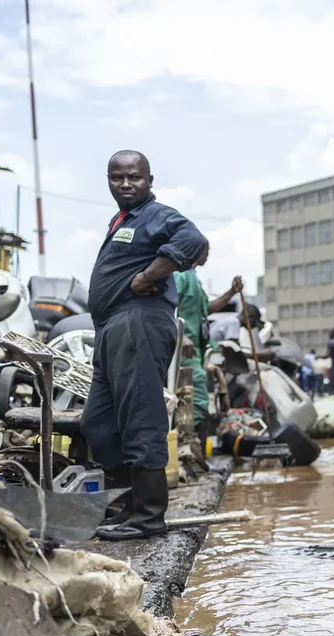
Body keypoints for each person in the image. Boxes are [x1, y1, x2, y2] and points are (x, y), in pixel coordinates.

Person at [84, 150, 208, 541]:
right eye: (117, 177)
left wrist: (148, 275)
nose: (125, 184)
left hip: (138, 323)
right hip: (112, 330)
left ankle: (149, 517)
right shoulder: (123, 220)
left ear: (149, 181)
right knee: (98, 423)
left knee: (140, 419)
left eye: (134, 177)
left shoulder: (155, 215)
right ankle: (128, 506)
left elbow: (194, 240)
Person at [174, 270, 243, 436]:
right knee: (191, 398)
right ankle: (189, 440)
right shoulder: (180, 275)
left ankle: (194, 440)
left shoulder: (193, 278)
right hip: (184, 350)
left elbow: (206, 309)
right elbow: (166, 306)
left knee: (196, 398)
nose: (207, 256)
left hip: (196, 351)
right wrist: (178, 333)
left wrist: (231, 292)